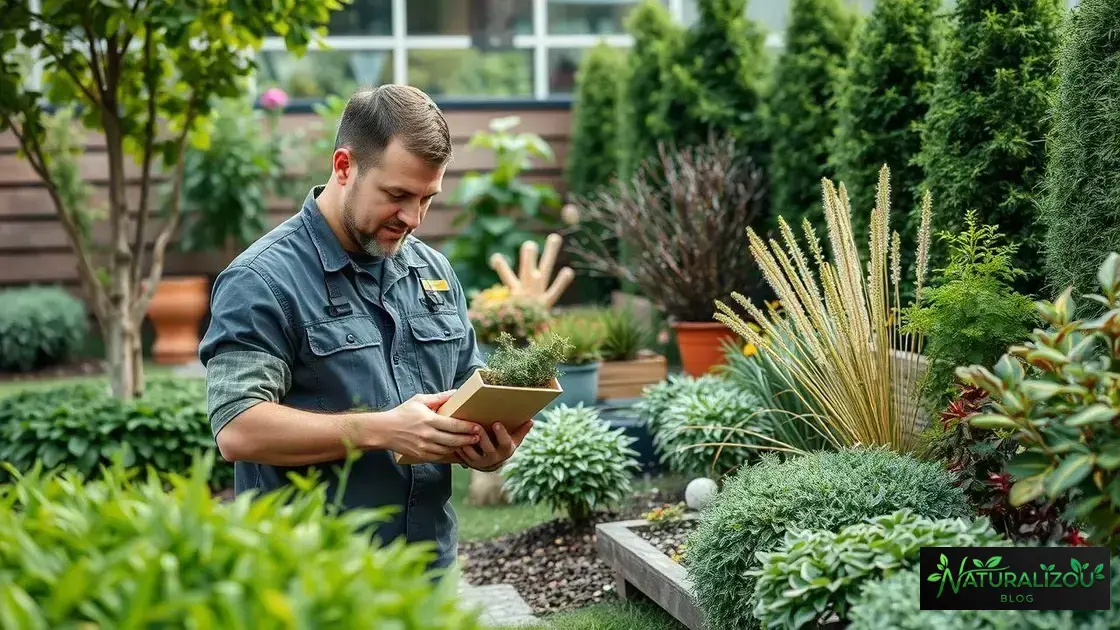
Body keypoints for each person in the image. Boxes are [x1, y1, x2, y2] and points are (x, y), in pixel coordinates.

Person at [198, 84, 533, 572]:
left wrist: (487, 446)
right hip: (316, 580)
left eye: (427, 198)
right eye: (397, 195)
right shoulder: (261, 280)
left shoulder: (433, 272)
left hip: (429, 571)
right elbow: (238, 428)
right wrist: (383, 430)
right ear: (343, 167)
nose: (413, 218)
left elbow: (467, 388)